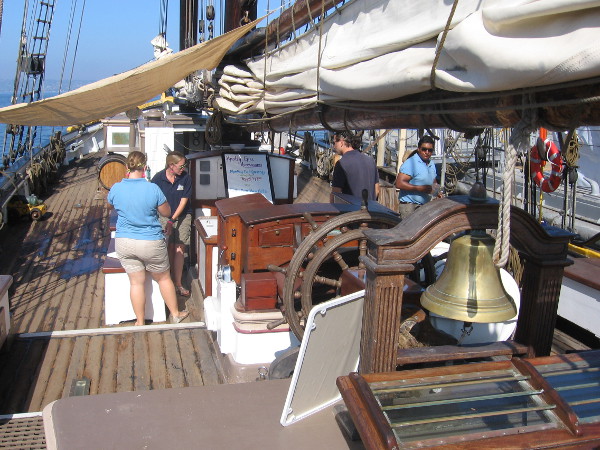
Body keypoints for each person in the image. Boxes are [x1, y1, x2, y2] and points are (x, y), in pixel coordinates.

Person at [107, 151, 189, 325]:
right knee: (164, 278)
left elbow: (111, 203)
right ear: (144, 168)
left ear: (128, 168)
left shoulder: (116, 188)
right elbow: (166, 212)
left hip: (125, 242)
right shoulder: (152, 189)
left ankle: (140, 321)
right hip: (150, 241)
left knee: (136, 283)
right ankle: (175, 314)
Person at [151, 151, 193, 297]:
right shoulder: (157, 179)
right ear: (171, 165)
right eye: (181, 166)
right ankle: (167, 282)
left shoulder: (186, 178)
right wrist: (165, 219)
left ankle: (178, 283)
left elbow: (184, 201)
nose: (183, 168)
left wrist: (172, 220)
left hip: (182, 216)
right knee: (168, 248)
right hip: (163, 217)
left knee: (179, 249)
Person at [394, 135, 441, 219]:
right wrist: (419, 188)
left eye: (430, 150)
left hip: (424, 206)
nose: (427, 152)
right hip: (410, 206)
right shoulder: (411, 163)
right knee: (409, 231)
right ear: (419, 149)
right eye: (424, 149)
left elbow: (433, 183)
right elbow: (399, 183)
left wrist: (437, 192)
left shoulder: (431, 164)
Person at [330, 131, 380, 202]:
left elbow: (335, 195)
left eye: (334, 143)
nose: (334, 146)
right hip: (370, 210)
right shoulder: (370, 161)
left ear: (341, 142)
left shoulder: (341, 164)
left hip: (351, 211)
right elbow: (377, 190)